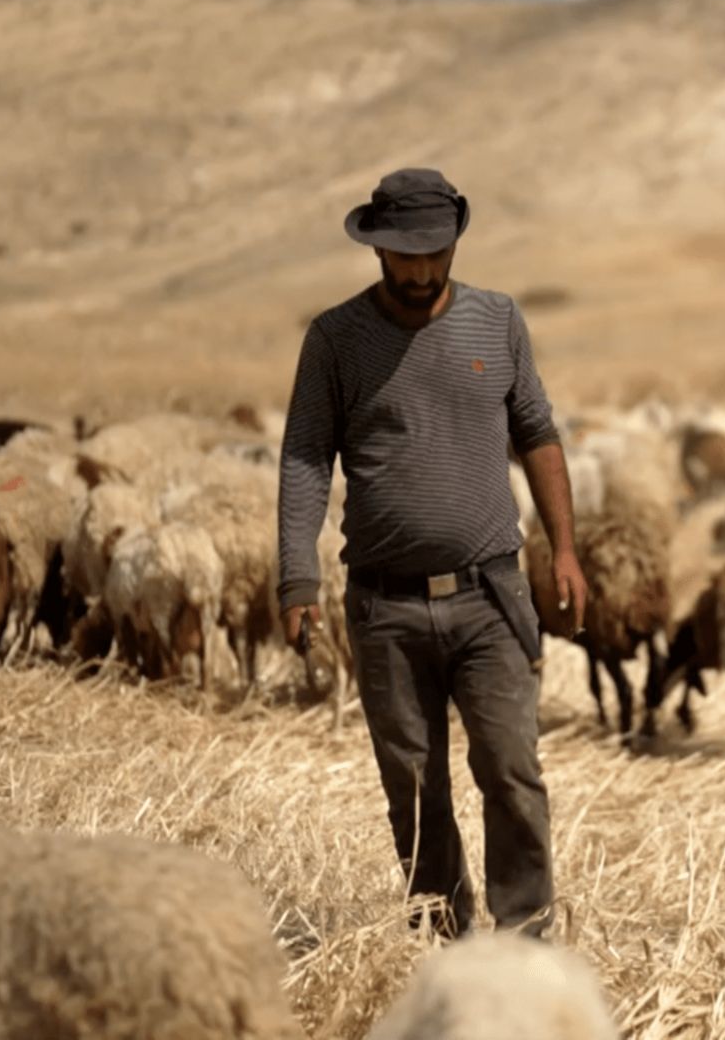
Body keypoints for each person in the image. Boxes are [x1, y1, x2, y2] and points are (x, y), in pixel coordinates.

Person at [275, 167, 588, 939]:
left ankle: (525, 943)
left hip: (491, 594)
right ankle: (444, 941)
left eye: (433, 253)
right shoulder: (336, 339)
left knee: (512, 770)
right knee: (413, 785)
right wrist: (295, 574)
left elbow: (538, 435)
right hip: (384, 606)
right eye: (403, 255)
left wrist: (566, 551)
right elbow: (306, 457)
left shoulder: (497, 320)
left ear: (454, 242)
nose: (419, 271)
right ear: (376, 249)